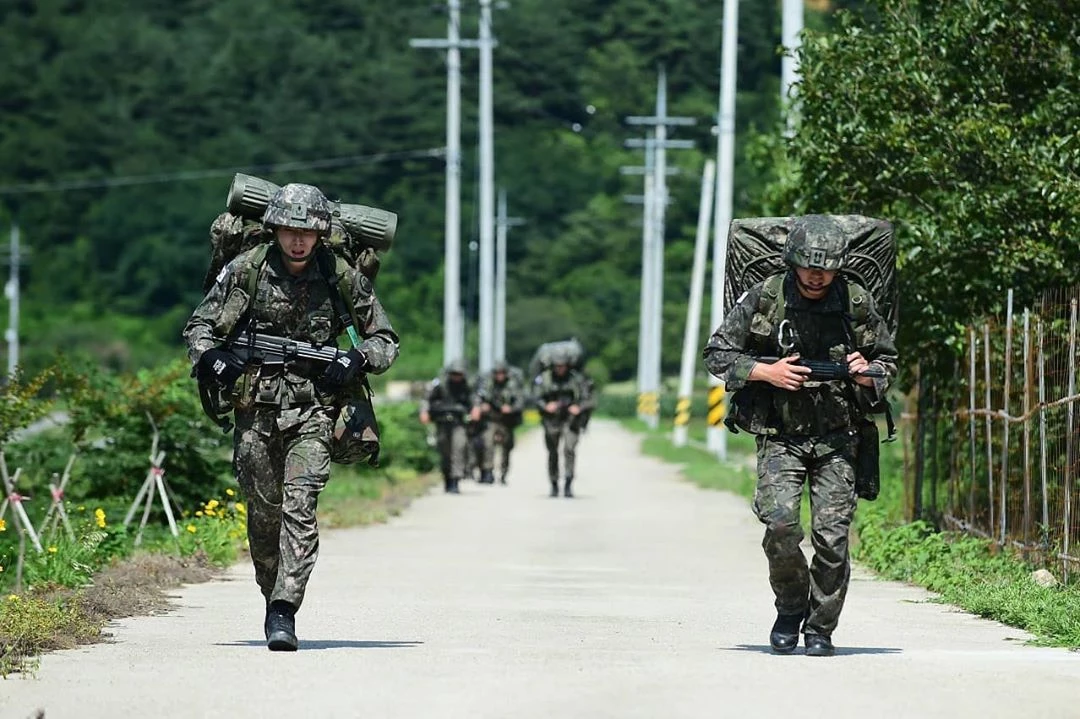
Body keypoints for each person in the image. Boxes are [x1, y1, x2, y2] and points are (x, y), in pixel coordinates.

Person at [183, 183, 399, 652]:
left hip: (316, 410)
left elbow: (385, 338)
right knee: (264, 516)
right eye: (289, 230)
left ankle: (285, 609)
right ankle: (270, 595)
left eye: (307, 231)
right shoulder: (247, 270)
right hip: (255, 410)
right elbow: (199, 327)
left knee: (300, 507)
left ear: (321, 233)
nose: (298, 239)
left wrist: (357, 359)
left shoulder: (340, 275)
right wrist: (212, 358)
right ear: (275, 229)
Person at [702, 215, 897, 657]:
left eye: (826, 267)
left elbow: (887, 360)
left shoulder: (856, 301)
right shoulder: (767, 297)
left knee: (832, 538)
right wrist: (765, 370)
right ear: (792, 263)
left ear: (838, 268)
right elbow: (717, 353)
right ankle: (791, 607)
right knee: (781, 525)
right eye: (809, 265)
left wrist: (867, 375)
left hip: (839, 437)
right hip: (781, 435)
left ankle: (820, 628)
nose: (816, 274)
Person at [532, 348, 590, 498]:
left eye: (563, 365)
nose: (560, 368)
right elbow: (535, 397)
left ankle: (569, 482)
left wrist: (579, 407)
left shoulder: (576, 379)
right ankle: (554, 483)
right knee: (553, 452)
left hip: (571, 420)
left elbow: (588, 398)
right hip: (552, 421)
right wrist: (546, 406)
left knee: (569, 449)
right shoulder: (544, 379)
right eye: (557, 366)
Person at [419, 359, 473, 494]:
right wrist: (424, 411)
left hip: (458, 423)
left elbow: (474, 400)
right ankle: (447, 478)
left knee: (458, 448)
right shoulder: (439, 384)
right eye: (454, 374)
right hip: (442, 422)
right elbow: (426, 398)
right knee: (445, 452)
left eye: (459, 374)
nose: (457, 377)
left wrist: (476, 409)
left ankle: (455, 480)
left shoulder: (466, 386)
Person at [471, 360, 526, 485]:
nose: (499, 376)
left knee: (507, 447)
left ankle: (503, 473)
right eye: (497, 373)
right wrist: (480, 406)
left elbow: (521, 401)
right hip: (491, 419)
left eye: (502, 373)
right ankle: (487, 471)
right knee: (487, 444)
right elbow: (478, 396)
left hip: (507, 421)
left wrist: (511, 408)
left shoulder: (513, 385)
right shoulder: (488, 383)